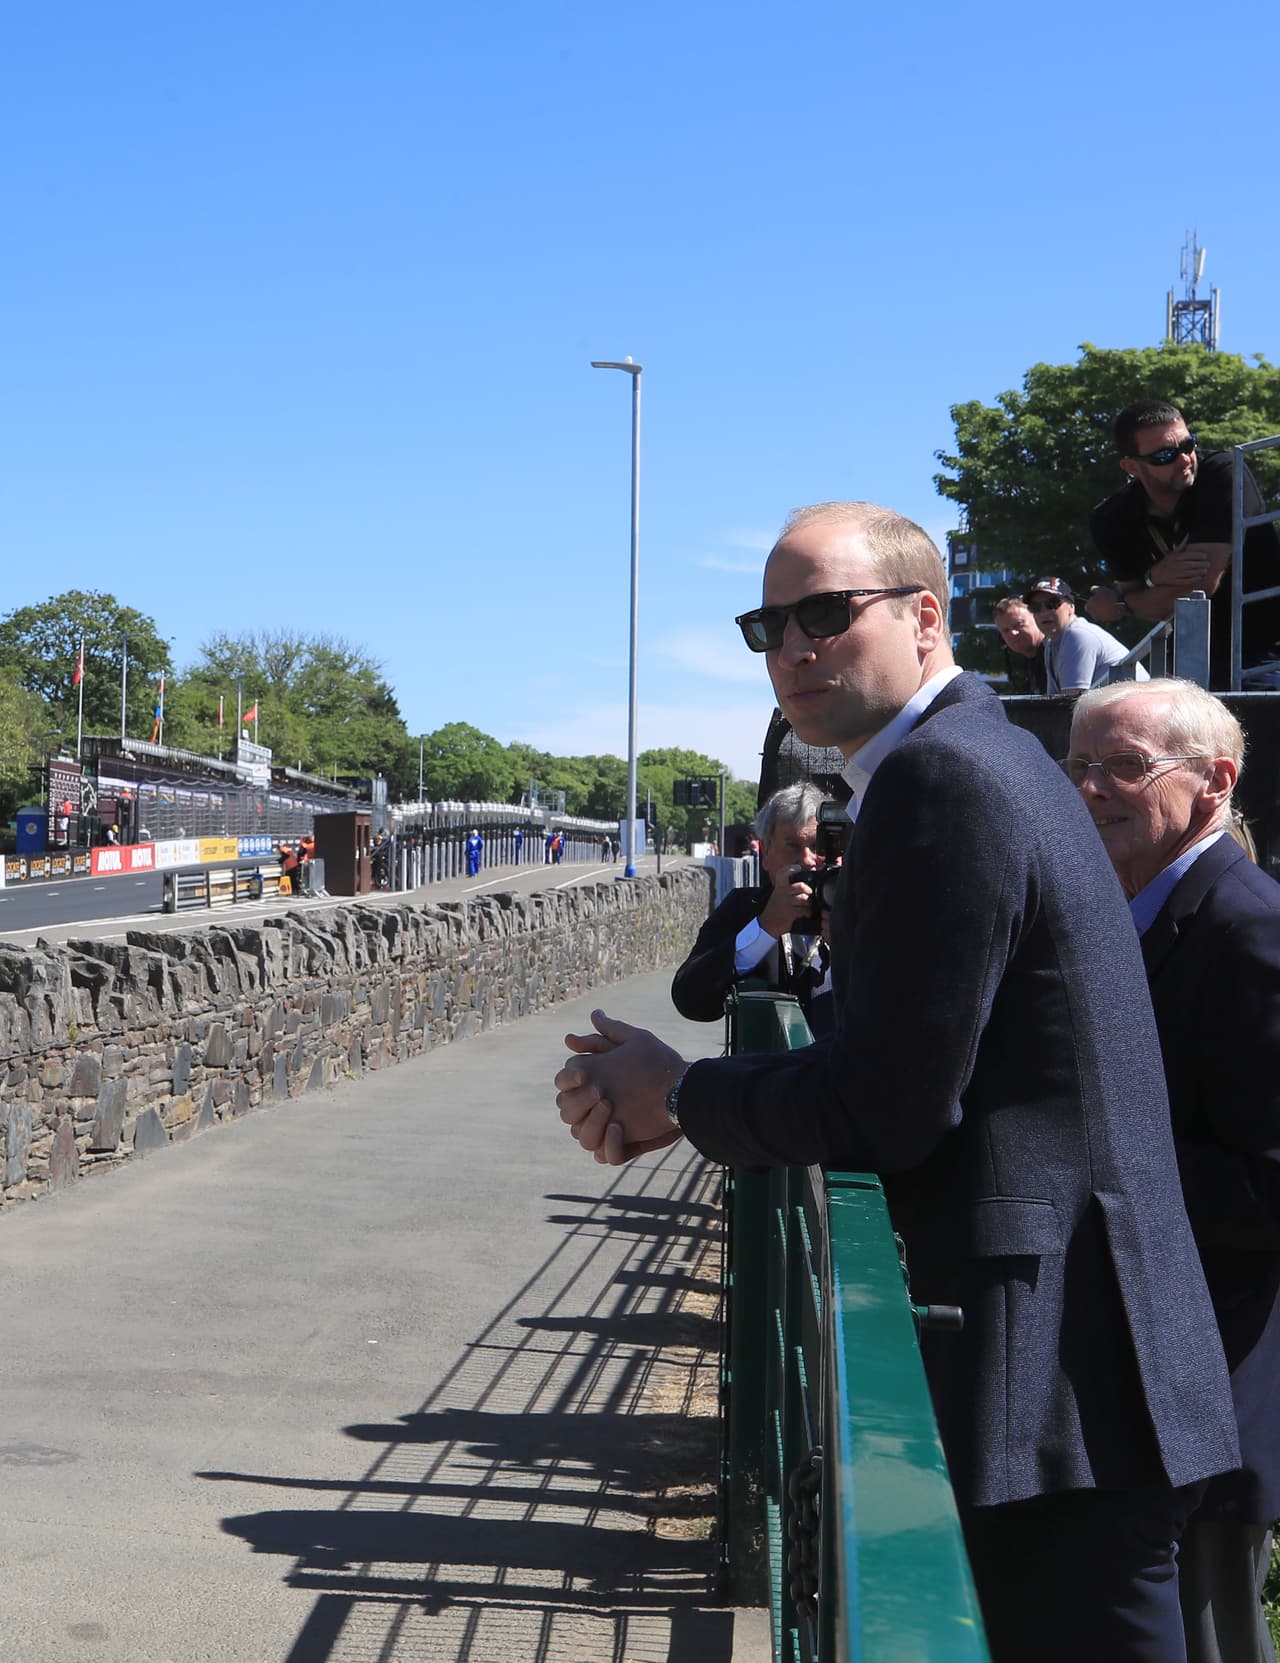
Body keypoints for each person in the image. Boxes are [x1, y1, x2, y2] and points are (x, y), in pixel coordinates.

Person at [555, 500, 1239, 1661]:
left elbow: (887, 1103)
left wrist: (677, 1097)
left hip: (1056, 1385)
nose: (791, 647)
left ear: (925, 617)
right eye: (765, 625)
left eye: (825, 612)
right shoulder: (973, 759)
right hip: (1079, 1373)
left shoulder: (942, 780)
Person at [1068, 678, 1280, 1663]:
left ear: (1212, 783)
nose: (1089, 789)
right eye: (1076, 766)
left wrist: (1085, 1159)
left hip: (1208, 1408)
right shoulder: (1142, 914)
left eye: (1122, 765)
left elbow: (1266, 1189)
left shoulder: (1246, 929)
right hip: (1146, 1403)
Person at [1086, 401, 1280, 690]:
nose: (1185, 459)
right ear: (1131, 467)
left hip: (1265, 653)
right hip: (1190, 662)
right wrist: (1151, 580)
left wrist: (1139, 590)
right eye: (1165, 454)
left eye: (1188, 444)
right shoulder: (1111, 518)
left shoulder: (1222, 473)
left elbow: (1201, 586)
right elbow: (1150, 606)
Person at [671, 782, 834, 1036]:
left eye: (817, 846)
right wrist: (764, 929)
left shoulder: (865, 910)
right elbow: (690, 999)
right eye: (793, 845)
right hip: (766, 1069)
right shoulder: (744, 908)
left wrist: (850, 947)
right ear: (766, 853)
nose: (806, 859)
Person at [1026, 575, 1145, 694]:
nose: (1044, 612)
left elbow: (1071, 702)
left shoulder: (1077, 634)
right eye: (1035, 607)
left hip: (1142, 705)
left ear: (1071, 607)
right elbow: (1053, 701)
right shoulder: (1050, 644)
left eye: (1052, 604)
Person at [992, 595, 1047, 693]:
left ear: (1036, 618)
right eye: (1006, 630)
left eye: (1019, 624)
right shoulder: (1029, 664)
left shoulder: (1055, 652)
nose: (1013, 633)